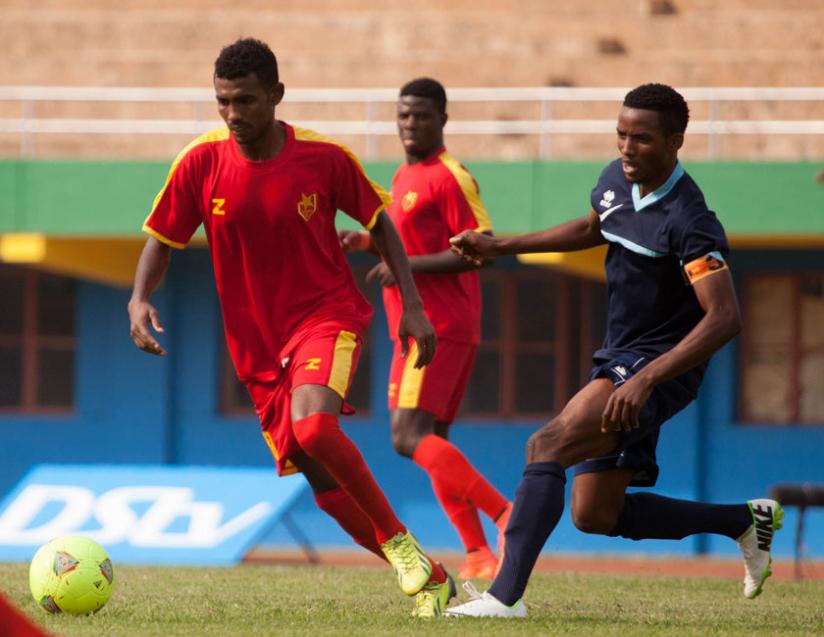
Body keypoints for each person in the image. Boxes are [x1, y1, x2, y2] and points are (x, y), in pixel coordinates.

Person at [127, 38, 454, 618]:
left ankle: (400, 542)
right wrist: (138, 299)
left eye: (246, 101)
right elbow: (161, 239)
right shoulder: (201, 160)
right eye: (223, 102)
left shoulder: (324, 158)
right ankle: (430, 578)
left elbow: (381, 225)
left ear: (276, 95)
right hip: (255, 347)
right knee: (318, 478)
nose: (233, 115)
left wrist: (412, 304)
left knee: (315, 430)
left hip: (326, 315)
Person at [444, 83, 783, 618]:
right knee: (594, 513)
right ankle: (742, 521)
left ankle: (503, 599)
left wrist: (646, 380)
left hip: (659, 365)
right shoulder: (615, 180)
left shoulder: (691, 221)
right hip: (620, 356)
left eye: (642, 139)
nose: (627, 147)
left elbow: (725, 318)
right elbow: (593, 226)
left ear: (675, 142)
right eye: (621, 134)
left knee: (547, 444)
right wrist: (502, 244)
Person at [340, 78, 512, 581]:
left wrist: (407, 266)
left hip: (440, 324)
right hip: (413, 325)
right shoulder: (401, 175)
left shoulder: (451, 176)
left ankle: (507, 514)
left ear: (442, 118)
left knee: (405, 435)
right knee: (433, 438)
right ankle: (479, 553)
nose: (410, 124)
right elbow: (408, 247)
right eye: (403, 116)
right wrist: (369, 244)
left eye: (420, 116)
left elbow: (480, 247)